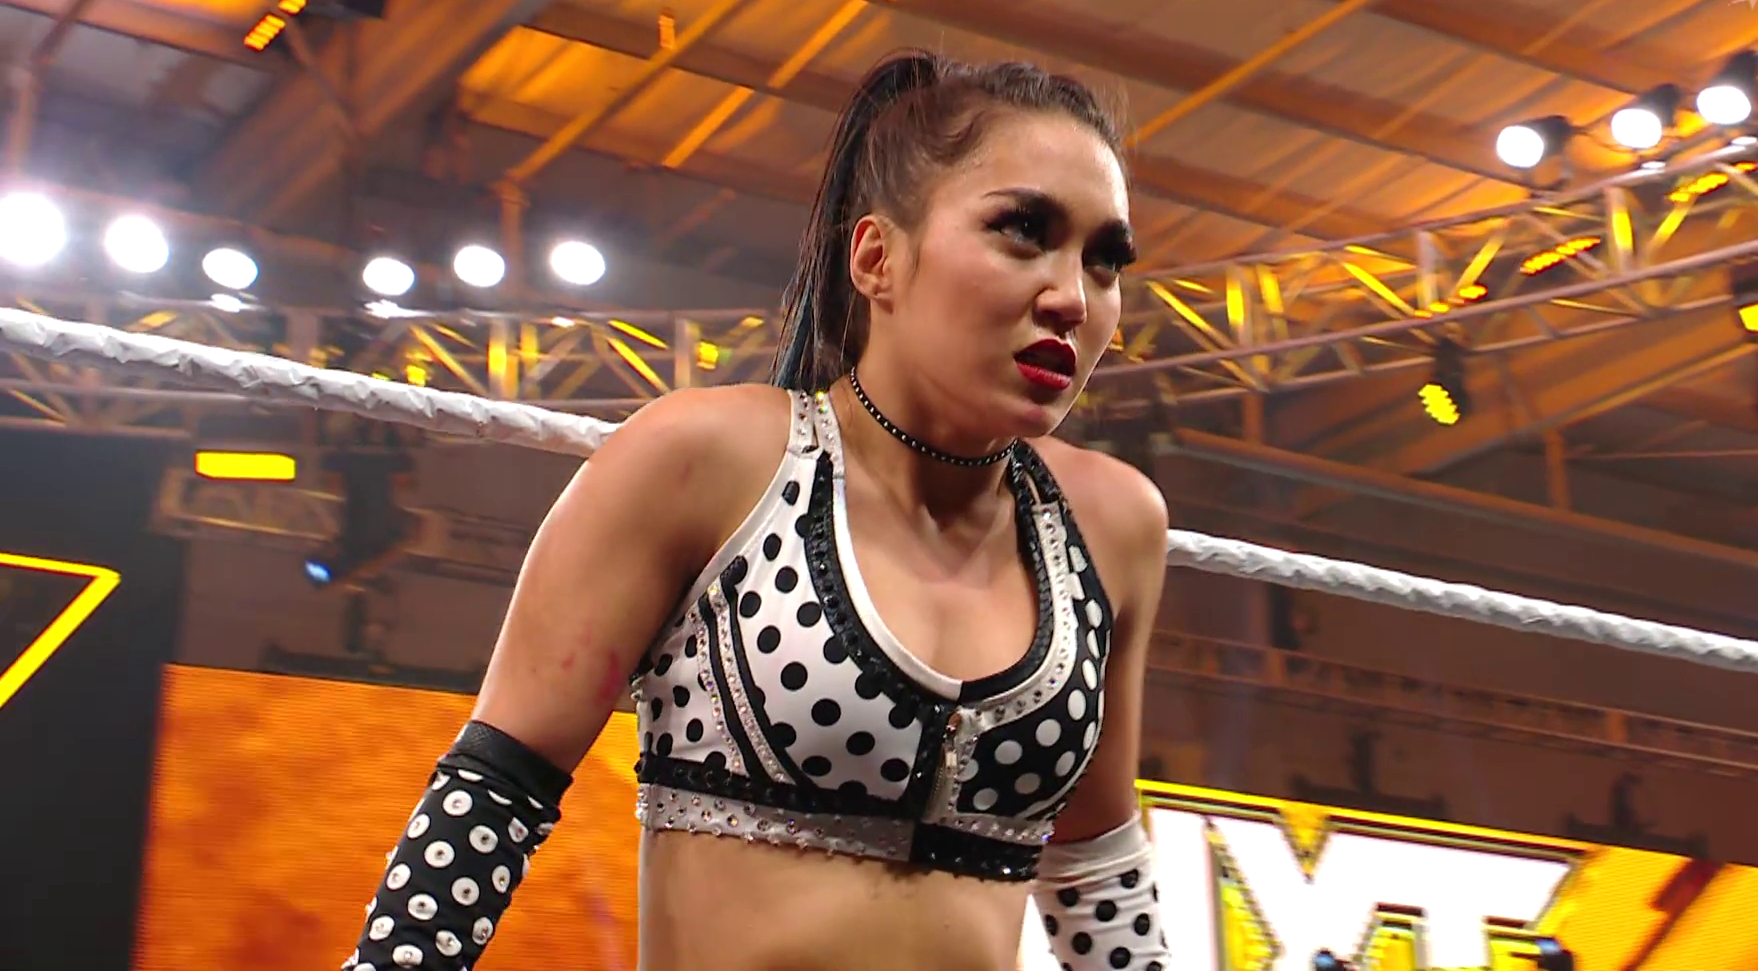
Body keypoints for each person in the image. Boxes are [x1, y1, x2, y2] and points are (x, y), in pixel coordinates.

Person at [343, 51, 1172, 971]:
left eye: (1106, 260)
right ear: (878, 259)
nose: (1072, 297)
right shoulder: (703, 461)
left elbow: (1097, 872)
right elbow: (495, 794)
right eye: (1022, 231)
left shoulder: (1113, 525)